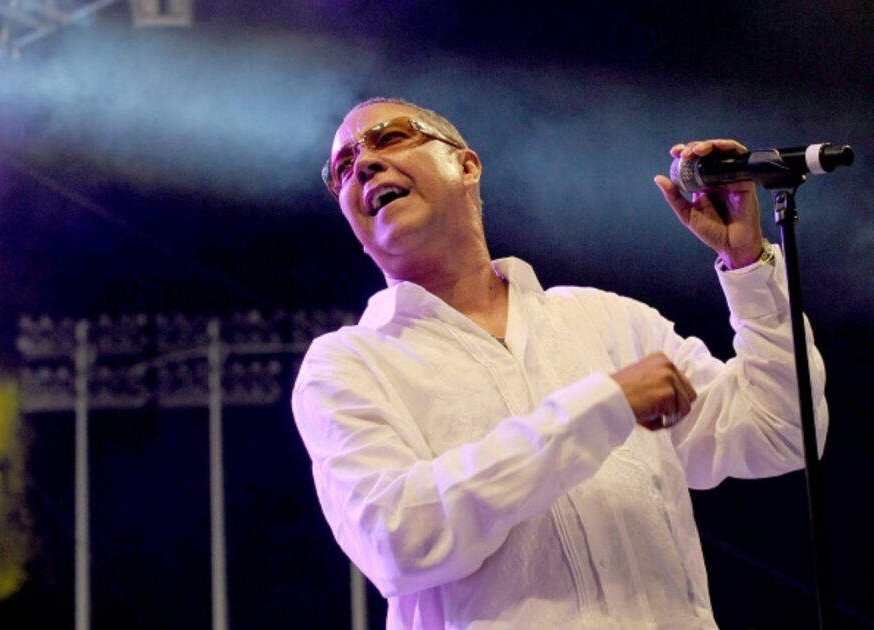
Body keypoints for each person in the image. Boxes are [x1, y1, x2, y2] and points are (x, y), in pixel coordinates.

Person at [292, 97, 828, 630]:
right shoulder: (347, 366)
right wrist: (602, 408)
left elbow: (782, 430)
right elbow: (398, 540)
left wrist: (747, 264)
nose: (361, 164)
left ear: (466, 165)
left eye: (389, 137)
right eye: (341, 171)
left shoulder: (610, 322)